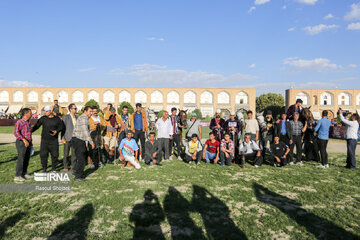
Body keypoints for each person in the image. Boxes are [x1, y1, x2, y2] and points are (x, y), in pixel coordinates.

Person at [32, 105, 64, 172]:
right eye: (44, 111)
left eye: (46, 111)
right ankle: (44, 168)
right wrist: (30, 131)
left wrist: (56, 131)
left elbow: (62, 127)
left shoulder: (57, 119)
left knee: (55, 155)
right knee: (43, 155)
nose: (45, 112)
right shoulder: (43, 118)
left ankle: (54, 168)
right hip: (44, 141)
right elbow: (36, 126)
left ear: (51, 111)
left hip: (54, 141)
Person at [71, 106, 95, 182]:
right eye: (90, 111)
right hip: (78, 140)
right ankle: (78, 177)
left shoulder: (83, 118)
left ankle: (77, 172)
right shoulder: (84, 119)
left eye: (92, 111)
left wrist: (86, 142)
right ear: (85, 111)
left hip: (79, 139)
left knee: (81, 157)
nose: (92, 113)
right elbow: (85, 132)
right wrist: (91, 142)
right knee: (81, 158)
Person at [13, 108, 33, 182]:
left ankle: (24, 173)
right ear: (25, 114)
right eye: (30, 113)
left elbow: (29, 132)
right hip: (21, 142)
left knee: (26, 158)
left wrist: (30, 142)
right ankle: (18, 176)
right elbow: (16, 132)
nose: (31, 114)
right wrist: (24, 140)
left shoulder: (28, 122)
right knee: (21, 159)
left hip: (28, 142)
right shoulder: (20, 122)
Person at [61, 103, 78, 172]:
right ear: (71, 109)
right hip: (67, 138)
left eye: (76, 108)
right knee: (66, 154)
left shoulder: (77, 117)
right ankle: (66, 166)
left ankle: (73, 167)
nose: (76, 109)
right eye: (75, 108)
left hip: (75, 138)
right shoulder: (65, 117)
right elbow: (62, 128)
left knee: (74, 154)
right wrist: (62, 138)